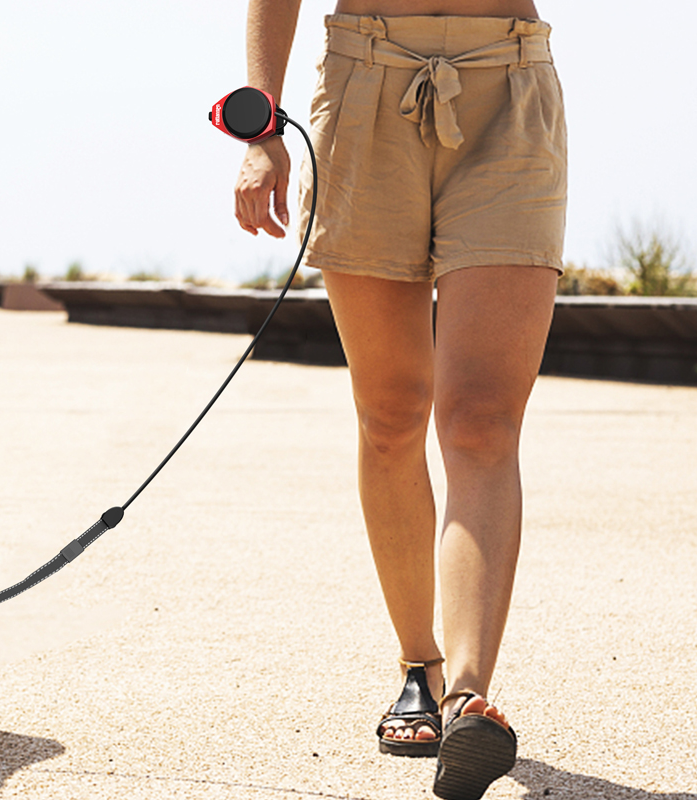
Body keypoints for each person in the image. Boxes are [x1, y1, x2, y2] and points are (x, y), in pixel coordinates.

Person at [234, 1, 565, 798]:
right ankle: (420, 661)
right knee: (390, 416)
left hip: (509, 83)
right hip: (362, 83)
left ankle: (469, 700)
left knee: (482, 418)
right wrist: (261, 129)